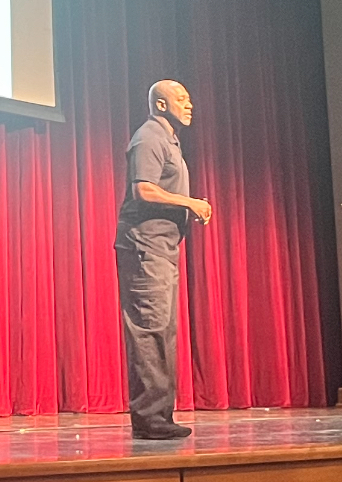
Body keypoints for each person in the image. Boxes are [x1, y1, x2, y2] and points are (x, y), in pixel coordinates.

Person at [114, 79, 212, 440]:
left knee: (162, 330)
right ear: (159, 105)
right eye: (181, 98)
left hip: (162, 250)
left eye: (189, 97)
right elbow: (144, 189)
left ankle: (160, 416)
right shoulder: (150, 137)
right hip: (145, 248)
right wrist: (190, 202)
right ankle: (151, 419)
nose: (189, 104)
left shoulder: (169, 139)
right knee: (150, 329)